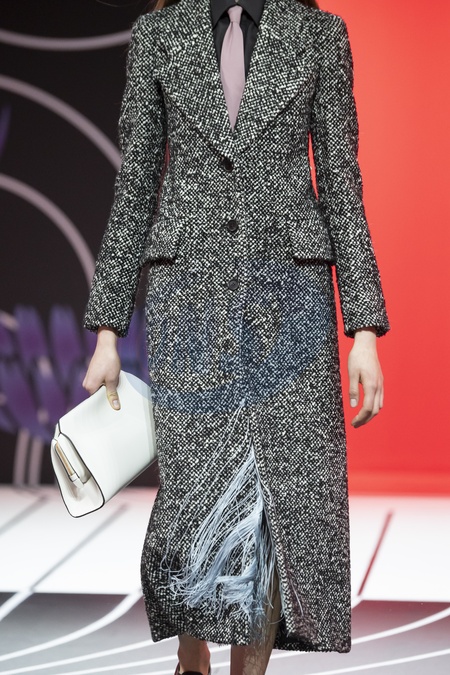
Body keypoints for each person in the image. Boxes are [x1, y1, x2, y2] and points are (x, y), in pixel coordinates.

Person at [82, 0, 391, 673]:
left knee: (280, 499)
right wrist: (107, 327)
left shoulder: (318, 35)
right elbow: (136, 182)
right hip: (190, 293)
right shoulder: (160, 35)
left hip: (292, 296)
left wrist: (364, 326)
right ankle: (191, 658)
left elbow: (341, 179)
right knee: (196, 498)